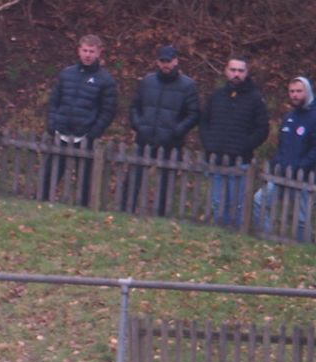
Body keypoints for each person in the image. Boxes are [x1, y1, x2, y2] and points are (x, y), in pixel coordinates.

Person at [124, 45, 200, 215]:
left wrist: (177, 131)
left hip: (171, 143)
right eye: (162, 61)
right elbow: (134, 107)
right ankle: (125, 211)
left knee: (166, 184)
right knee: (133, 179)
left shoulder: (188, 86)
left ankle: (161, 216)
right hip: (145, 139)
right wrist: (139, 125)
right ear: (158, 62)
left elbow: (194, 114)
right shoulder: (147, 81)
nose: (166, 64)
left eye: (169, 61)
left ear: (176, 61)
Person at [42, 34, 117, 207]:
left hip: (85, 135)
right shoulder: (67, 74)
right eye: (85, 50)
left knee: (85, 178)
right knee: (50, 173)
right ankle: (41, 202)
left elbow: (108, 110)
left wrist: (94, 133)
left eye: (91, 51)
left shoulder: (106, 80)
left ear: (99, 52)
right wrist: (52, 123)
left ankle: (84, 208)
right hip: (61, 132)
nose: (87, 55)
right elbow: (54, 101)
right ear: (79, 51)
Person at [199, 57, 269, 227]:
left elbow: (262, 129)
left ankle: (236, 238)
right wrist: (209, 143)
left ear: (246, 73)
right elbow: (204, 122)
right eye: (233, 70)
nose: (236, 74)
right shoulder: (217, 95)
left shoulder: (255, 99)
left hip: (240, 162)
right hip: (216, 159)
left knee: (237, 206)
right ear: (226, 71)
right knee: (217, 203)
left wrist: (244, 146)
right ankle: (217, 234)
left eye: (240, 70)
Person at [252, 77, 316, 241]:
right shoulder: (289, 117)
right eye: (292, 91)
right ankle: (268, 238)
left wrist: (300, 167)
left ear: (308, 92)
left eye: (299, 91)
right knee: (259, 201)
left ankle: (301, 249)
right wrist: (276, 164)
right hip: (280, 174)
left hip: (304, 177)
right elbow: (281, 146)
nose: (294, 95)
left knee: (301, 219)